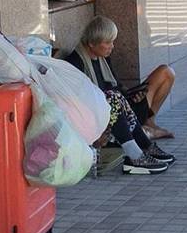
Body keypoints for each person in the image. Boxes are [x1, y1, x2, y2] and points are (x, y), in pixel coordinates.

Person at [62, 17, 176, 176]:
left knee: (116, 96)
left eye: (112, 42)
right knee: (112, 98)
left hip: (110, 114)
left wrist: (132, 95)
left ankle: (144, 146)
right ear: (92, 43)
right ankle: (136, 155)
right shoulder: (75, 63)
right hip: (93, 122)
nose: (112, 46)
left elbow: (114, 86)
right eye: (107, 42)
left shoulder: (101, 59)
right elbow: (81, 101)